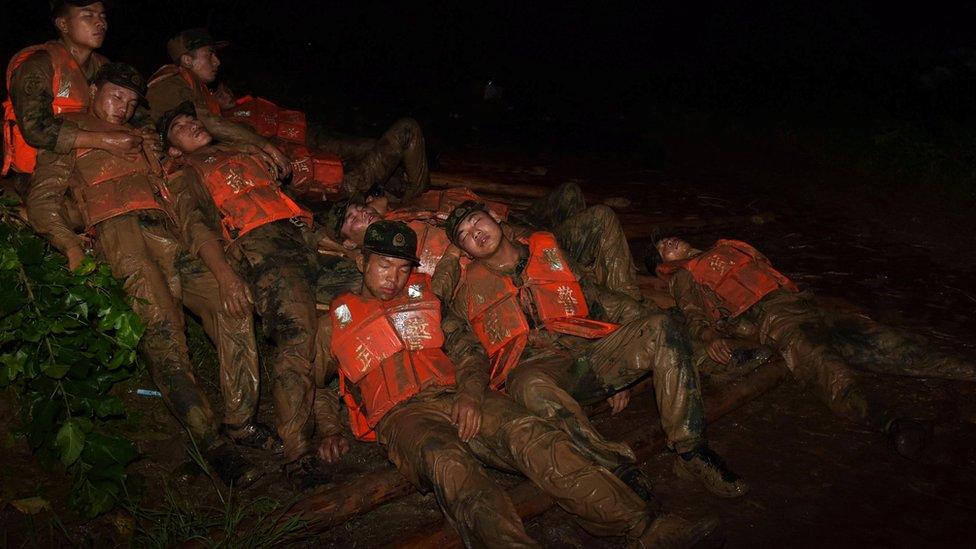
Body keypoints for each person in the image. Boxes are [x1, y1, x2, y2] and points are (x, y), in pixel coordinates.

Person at [315, 219, 718, 548]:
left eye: (403, 267)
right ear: (362, 262)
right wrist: (329, 427)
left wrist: (471, 394)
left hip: (460, 396)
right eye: (385, 265)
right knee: (453, 467)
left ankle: (643, 526)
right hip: (405, 417)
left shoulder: (429, 302)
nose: (394, 276)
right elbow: (311, 381)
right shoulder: (332, 320)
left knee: (537, 437)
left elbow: (469, 351)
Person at [25, 63, 264, 486]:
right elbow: (42, 203)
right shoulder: (72, 133)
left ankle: (240, 422)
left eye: (132, 102)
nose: (124, 107)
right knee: (164, 335)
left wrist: (223, 269)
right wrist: (72, 246)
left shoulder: (143, 140)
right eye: (117, 96)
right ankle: (212, 444)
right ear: (95, 90)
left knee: (231, 302)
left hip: (170, 232)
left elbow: (177, 199)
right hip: (121, 233)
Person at [443, 201, 749, 499]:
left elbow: (597, 302)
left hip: (587, 354)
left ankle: (691, 450)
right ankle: (614, 466)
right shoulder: (467, 293)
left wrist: (621, 364)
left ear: (496, 218)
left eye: (477, 221)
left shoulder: (549, 254)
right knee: (526, 383)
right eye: (465, 235)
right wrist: (469, 392)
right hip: (542, 370)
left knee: (660, 326)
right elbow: (466, 349)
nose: (475, 232)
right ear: (465, 252)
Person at [654, 237, 976, 457]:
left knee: (890, 343)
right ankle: (890, 422)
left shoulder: (728, 247)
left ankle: (967, 369)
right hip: (775, 321)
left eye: (668, 238)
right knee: (827, 369)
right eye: (660, 248)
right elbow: (693, 313)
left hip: (807, 307)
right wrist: (710, 336)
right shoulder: (683, 277)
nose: (666, 242)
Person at [160, 100, 328, 489]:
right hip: (259, 247)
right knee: (296, 333)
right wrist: (225, 275)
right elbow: (197, 227)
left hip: (297, 237)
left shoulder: (238, 153)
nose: (191, 126)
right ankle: (298, 454)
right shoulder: (185, 172)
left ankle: (331, 413)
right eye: (179, 128)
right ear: (171, 149)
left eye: (192, 120)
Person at [3, 1, 158, 197]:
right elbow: (35, 128)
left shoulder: (105, 68)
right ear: (63, 24)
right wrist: (106, 141)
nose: (100, 23)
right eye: (88, 15)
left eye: (102, 16)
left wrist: (148, 135)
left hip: (93, 162)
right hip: (42, 173)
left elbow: (139, 113)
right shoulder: (38, 65)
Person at [214, 82, 430, 203]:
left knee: (379, 148)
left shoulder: (255, 116)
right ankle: (418, 198)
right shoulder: (239, 142)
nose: (224, 92)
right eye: (216, 93)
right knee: (406, 130)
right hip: (340, 188)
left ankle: (407, 189)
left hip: (334, 168)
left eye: (224, 87)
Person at [146, 28, 292, 179]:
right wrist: (267, 148)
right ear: (188, 60)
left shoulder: (195, 87)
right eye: (210, 54)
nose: (217, 61)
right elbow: (210, 123)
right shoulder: (170, 83)